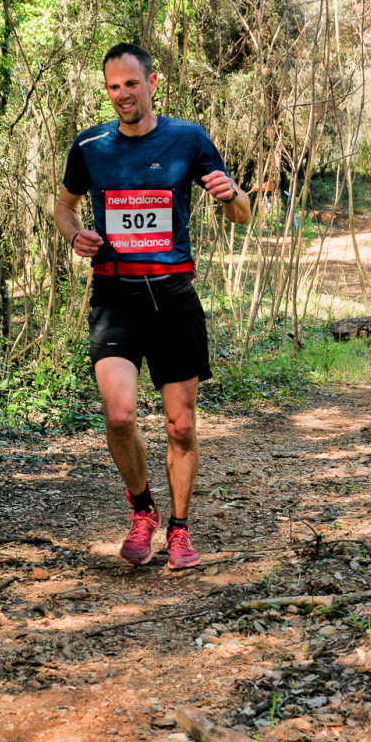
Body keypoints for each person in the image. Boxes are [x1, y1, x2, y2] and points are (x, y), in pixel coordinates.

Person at [54, 43, 250, 570]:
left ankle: (179, 529)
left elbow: (242, 215)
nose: (122, 95)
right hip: (114, 296)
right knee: (119, 415)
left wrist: (231, 194)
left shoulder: (188, 138)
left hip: (172, 295)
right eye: (113, 86)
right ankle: (143, 511)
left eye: (131, 84)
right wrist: (75, 234)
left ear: (152, 83)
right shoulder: (90, 145)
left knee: (180, 426)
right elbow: (64, 206)